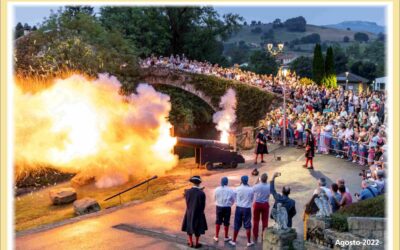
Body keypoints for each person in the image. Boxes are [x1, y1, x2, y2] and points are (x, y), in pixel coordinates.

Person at [181, 176, 208, 248]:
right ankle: (196, 243)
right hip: (199, 213)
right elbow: (203, 205)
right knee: (198, 229)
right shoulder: (202, 193)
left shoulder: (187, 192)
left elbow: (187, 200)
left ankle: (190, 243)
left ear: (192, 182)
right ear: (199, 183)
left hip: (189, 212)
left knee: (189, 228)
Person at [229, 176, 255, 247]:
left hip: (239, 208)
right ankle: (249, 242)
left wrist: (237, 201)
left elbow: (233, 197)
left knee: (237, 224)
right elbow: (252, 199)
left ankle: (233, 241)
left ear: (241, 180)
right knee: (247, 225)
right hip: (247, 208)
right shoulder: (251, 189)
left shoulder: (237, 189)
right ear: (247, 180)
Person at [213, 177, 235, 242]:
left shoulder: (217, 189)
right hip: (227, 207)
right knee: (226, 222)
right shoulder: (230, 190)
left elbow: (214, 198)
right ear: (227, 182)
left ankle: (216, 236)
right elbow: (233, 200)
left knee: (218, 221)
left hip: (219, 207)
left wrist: (217, 203)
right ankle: (226, 237)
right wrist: (230, 204)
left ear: (221, 182)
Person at [252, 173, 271, 242]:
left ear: (260, 179)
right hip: (265, 204)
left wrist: (256, 181)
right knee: (265, 221)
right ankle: (264, 235)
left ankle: (255, 235)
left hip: (257, 204)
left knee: (256, 221)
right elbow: (269, 195)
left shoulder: (256, 186)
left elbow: (252, 190)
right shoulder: (269, 186)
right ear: (266, 179)